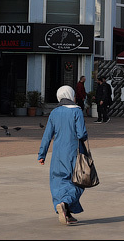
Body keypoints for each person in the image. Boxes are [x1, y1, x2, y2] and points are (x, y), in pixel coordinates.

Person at [38, 85, 89, 225]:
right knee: (79, 181)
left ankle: (66, 212)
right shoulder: (77, 111)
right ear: (71, 95)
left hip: (58, 154)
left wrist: (42, 154)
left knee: (58, 182)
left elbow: (47, 135)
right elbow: (82, 134)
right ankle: (65, 203)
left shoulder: (54, 112)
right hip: (74, 152)